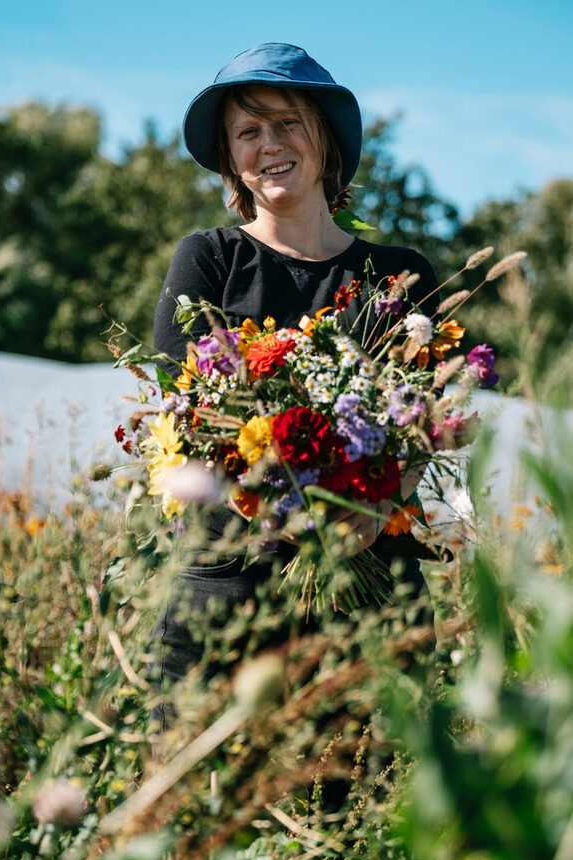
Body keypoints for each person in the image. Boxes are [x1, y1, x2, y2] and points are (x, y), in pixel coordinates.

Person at [151, 43, 438, 724]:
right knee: (204, 811)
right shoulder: (208, 261)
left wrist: (363, 519)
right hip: (227, 602)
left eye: (287, 124)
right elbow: (187, 416)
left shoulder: (397, 277)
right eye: (247, 132)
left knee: (365, 815)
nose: (268, 145)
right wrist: (283, 508)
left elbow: (421, 425)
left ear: (326, 142)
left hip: (371, 603)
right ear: (230, 159)